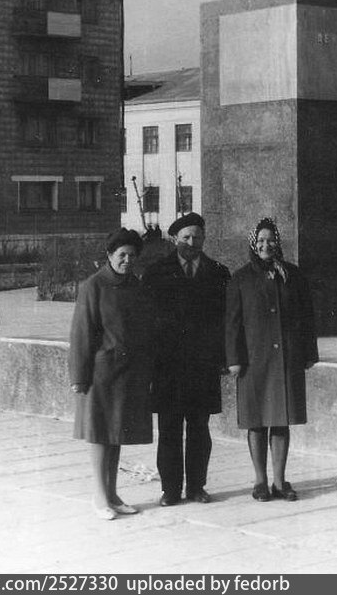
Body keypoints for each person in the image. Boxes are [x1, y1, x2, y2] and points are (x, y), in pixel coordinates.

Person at [225, 217, 318, 502]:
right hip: (254, 362)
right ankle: (260, 481)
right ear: (254, 243)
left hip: (286, 359)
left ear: (278, 242)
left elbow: (307, 316)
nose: (266, 245)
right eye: (261, 241)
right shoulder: (241, 278)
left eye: (271, 240)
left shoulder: (292, 275)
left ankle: (279, 481)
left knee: (281, 420)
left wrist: (309, 353)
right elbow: (232, 324)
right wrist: (234, 359)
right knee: (256, 421)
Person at [143, 212, 230, 507]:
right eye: (186, 237)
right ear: (174, 239)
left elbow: (225, 321)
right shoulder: (156, 273)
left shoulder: (218, 273)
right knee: (169, 429)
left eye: (197, 237)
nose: (192, 243)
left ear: (204, 238)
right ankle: (170, 489)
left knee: (199, 429)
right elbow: (147, 322)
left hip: (202, 366)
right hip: (167, 367)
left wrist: (222, 357)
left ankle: (196, 486)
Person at [68, 228, 153, 520]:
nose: (127, 260)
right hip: (101, 374)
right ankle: (99, 496)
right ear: (109, 255)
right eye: (122, 255)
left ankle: (113, 495)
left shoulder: (136, 286)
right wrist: (79, 377)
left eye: (132, 255)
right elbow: (81, 333)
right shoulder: (93, 286)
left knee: (116, 434)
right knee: (99, 434)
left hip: (128, 373)